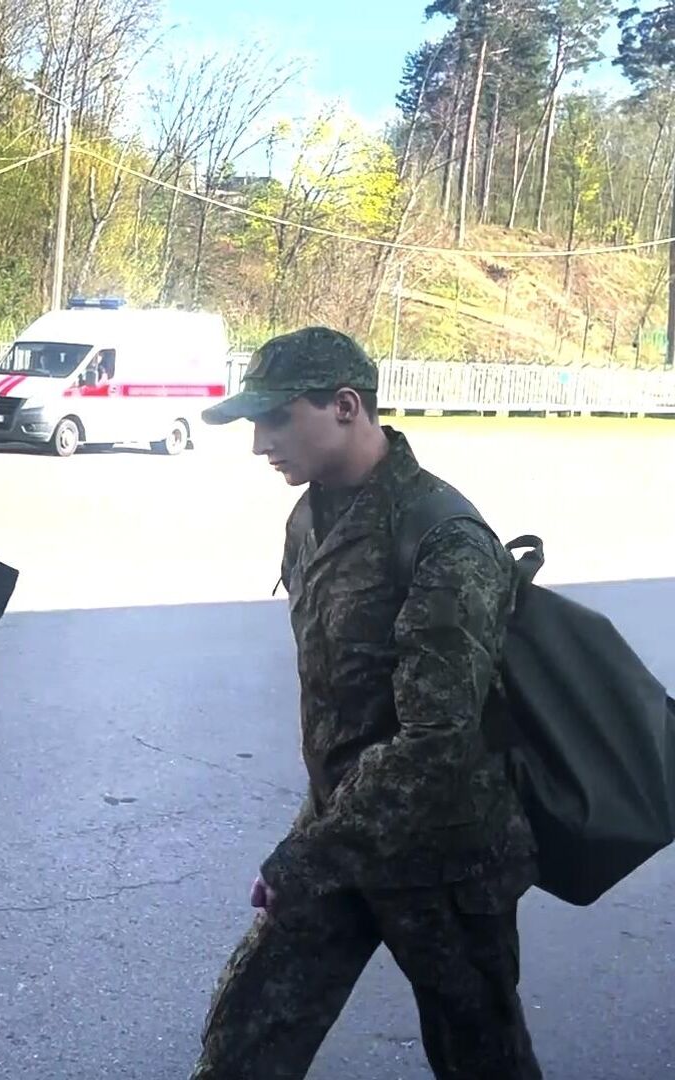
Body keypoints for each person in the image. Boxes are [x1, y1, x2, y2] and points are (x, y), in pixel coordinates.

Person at [188, 327, 543, 1080]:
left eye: (277, 418)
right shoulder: (311, 515)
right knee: (244, 1041)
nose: (259, 443)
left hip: (446, 859)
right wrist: (319, 837)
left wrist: (304, 856)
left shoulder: (445, 537)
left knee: (482, 1059)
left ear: (346, 406)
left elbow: (435, 743)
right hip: (344, 831)